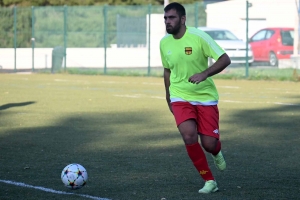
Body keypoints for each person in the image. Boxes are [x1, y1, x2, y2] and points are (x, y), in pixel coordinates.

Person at [159, 2, 231, 194]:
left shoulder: (199, 37)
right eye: (165, 18)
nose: (168, 21)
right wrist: (168, 97)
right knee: (189, 135)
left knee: (209, 144)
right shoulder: (164, 42)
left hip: (205, 97)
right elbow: (167, 71)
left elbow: (225, 59)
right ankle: (209, 180)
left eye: (172, 17)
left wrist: (205, 74)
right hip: (180, 96)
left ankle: (216, 150)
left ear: (183, 19)